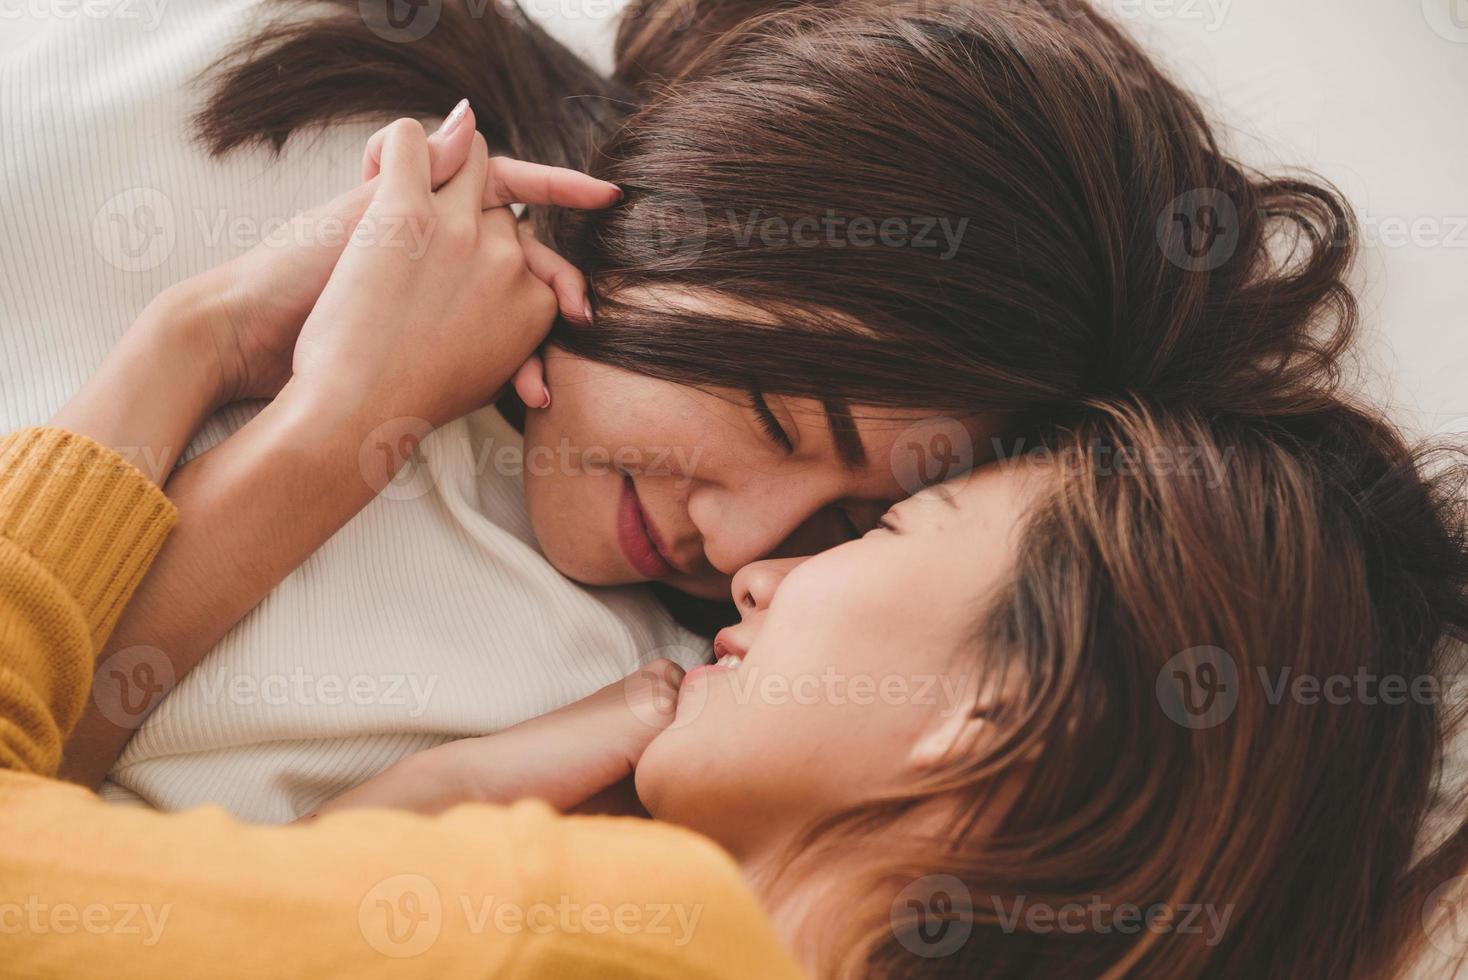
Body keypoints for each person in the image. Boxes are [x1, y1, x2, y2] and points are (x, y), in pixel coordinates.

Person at [50, 0, 1385, 828]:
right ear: (702, 211)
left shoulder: (637, 714)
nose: (745, 548)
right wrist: (215, 332)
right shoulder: (247, 82)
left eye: (851, 524)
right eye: (784, 421)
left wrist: (328, 415)